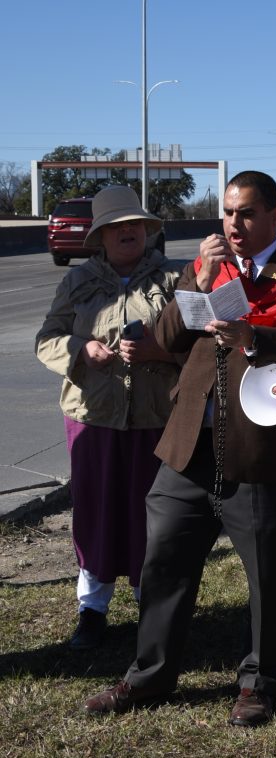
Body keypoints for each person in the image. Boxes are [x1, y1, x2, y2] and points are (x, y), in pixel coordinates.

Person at [84, 170, 276, 725]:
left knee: (265, 573)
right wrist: (197, 281)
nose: (234, 225)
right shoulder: (204, 271)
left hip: (261, 448)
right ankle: (150, 676)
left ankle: (261, 680)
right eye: (228, 214)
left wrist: (255, 336)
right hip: (190, 444)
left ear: (274, 216)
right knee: (162, 562)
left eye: (247, 214)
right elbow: (165, 340)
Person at [36, 185, 182, 650]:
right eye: (116, 227)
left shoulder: (173, 280)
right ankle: (92, 610)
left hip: (154, 417)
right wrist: (82, 350)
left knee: (150, 516)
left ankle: (151, 607)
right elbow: (46, 339)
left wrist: (156, 350)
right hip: (92, 416)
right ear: (100, 236)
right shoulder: (77, 282)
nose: (128, 233)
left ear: (147, 230)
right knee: (95, 513)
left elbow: (197, 343)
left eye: (135, 225)